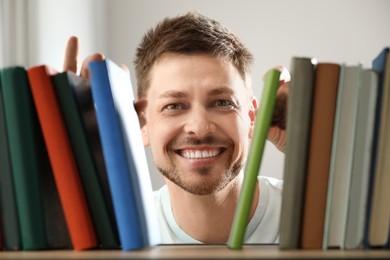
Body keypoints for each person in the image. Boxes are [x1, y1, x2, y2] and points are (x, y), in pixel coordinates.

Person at [63, 11, 288, 244]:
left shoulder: (313, 214)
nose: (200, 128)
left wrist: (315, 151)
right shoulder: (113, 233)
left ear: (252, 116)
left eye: (222, 102)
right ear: (142, 123)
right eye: (174, 106)